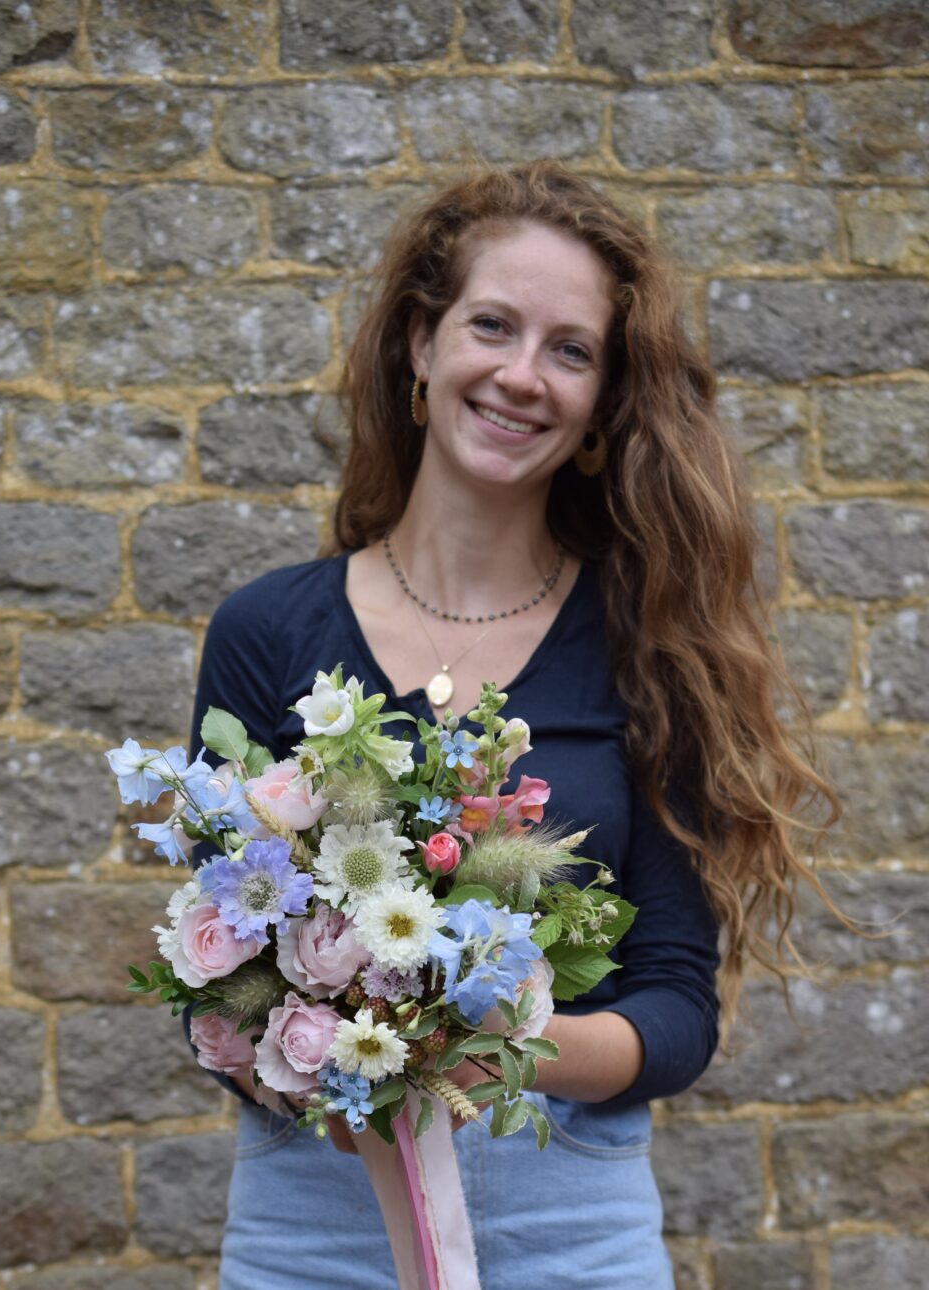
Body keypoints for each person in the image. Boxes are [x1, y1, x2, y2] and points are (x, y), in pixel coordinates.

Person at [186, 160, 836, 1289]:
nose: (522, 376)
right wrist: (318, 1059)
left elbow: (676, 1011)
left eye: (570, 350)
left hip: (571, 1233)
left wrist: (487, 1052)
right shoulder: (267, 630)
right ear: (420, 347)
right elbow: (215, 983)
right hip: (310, 1232)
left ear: (599, 404)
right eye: (492, 326)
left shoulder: (651, 645)